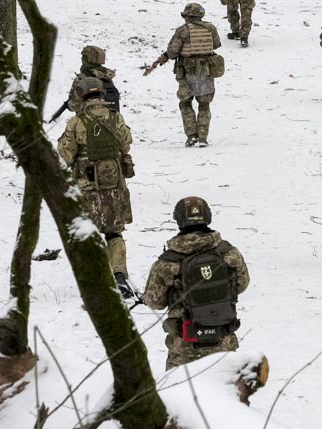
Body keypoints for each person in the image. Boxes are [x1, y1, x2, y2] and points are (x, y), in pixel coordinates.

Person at [143, 196, 250, 370]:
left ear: (179, 220)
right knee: (226, 394)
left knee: (179, 396)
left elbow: (155, 301)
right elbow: (242, 284)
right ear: (208, 216)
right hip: (225, 345)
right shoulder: (228, 253)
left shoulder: (167, 263)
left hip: (184, 348)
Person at [57, 77, 137, 300]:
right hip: (114, 186)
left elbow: (65, 154)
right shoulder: (115, 117)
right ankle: (120, 275)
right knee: (114, 232)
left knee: (88, 233)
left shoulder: (76, 122)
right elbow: (126, 142)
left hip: (87, 188)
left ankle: (95, 280)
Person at [145, 3, 223, 147]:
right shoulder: (210, 28)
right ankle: (203, 138)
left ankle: (192, 135)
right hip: (206, 71)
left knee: (185, 102)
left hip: (186, 72)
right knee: (204, 105)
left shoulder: (182, 31)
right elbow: (216, 44)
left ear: (188, 16)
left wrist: (160, 61)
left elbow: (173, 52)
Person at [68, 45, 120, 113]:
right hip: (111, 121)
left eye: (84, 57)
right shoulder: (107, 77)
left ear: (86, 59)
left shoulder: (82, 77)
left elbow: (74, 106)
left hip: (89, 121)